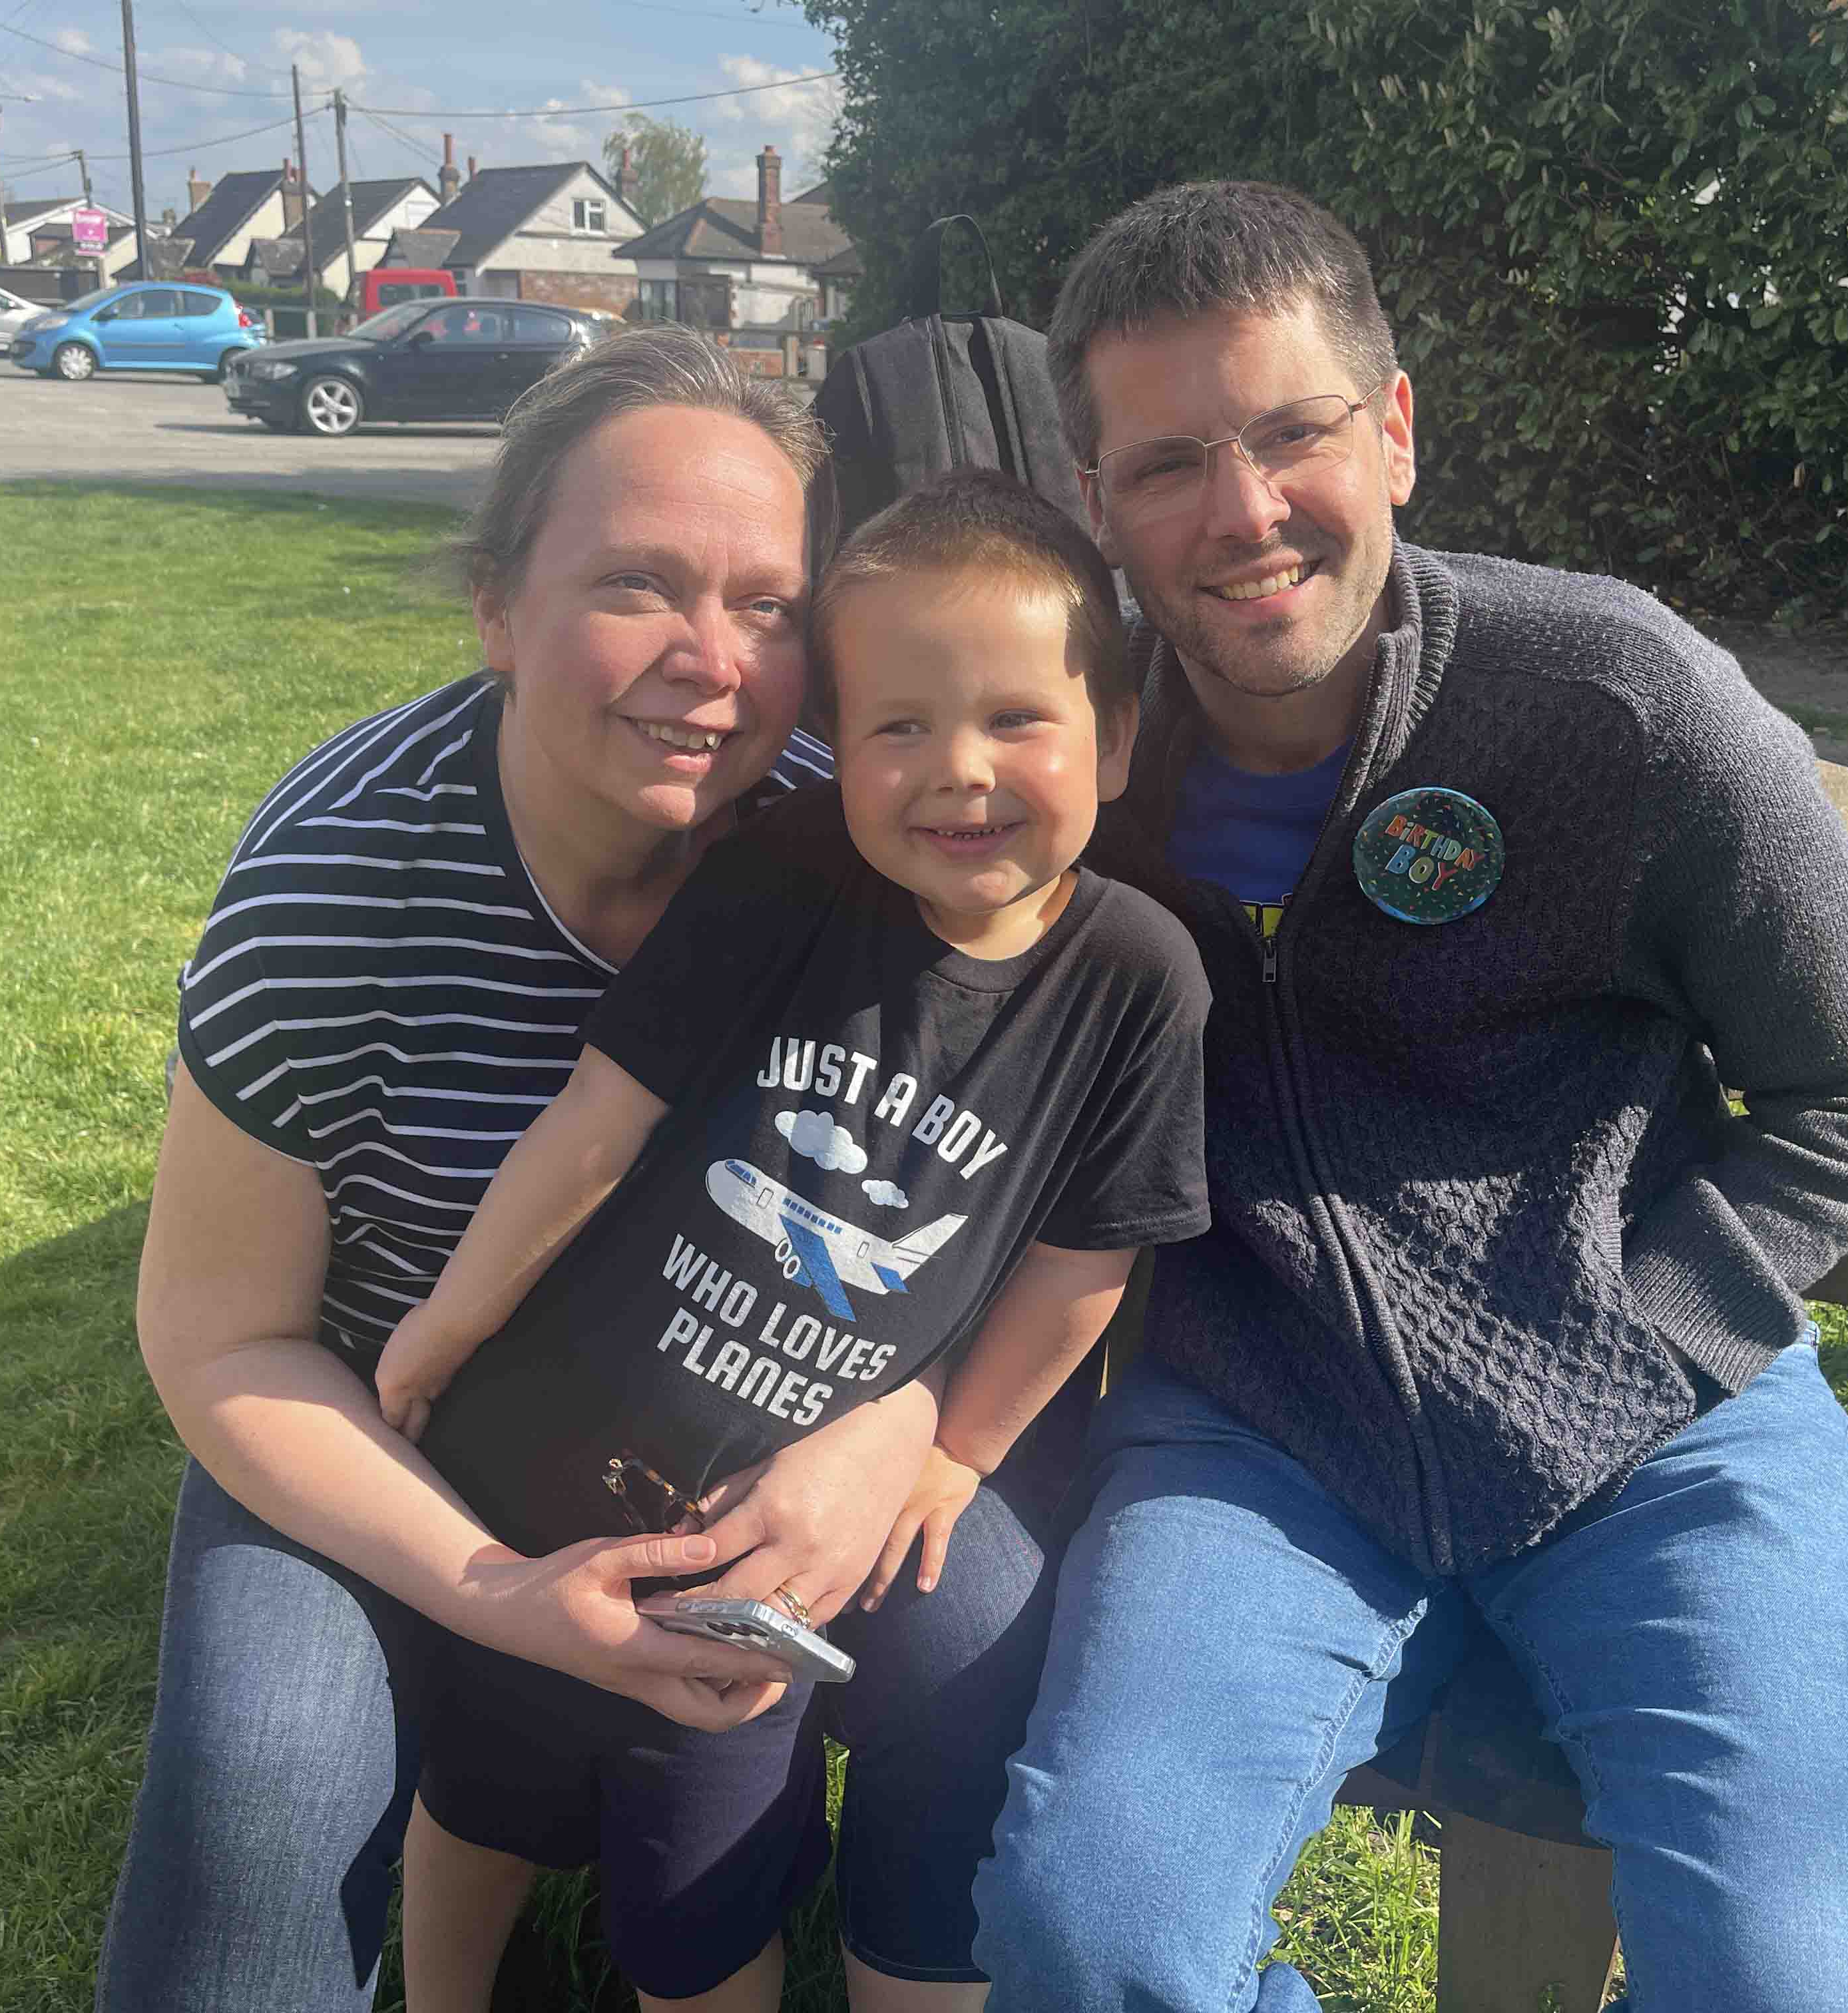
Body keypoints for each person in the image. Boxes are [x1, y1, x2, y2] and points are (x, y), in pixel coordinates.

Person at [967, 181, 1848, 2012]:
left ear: (1399, 432)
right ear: (1098, 502)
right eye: (1170, 463)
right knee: (1088, 1941)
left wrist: (1657, 1330)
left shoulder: (1615, 693)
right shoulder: (1055, 754)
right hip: (1258, 1429)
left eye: (1295, 432)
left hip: (1670, 1427)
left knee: (1817, 1984)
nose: (1245, 512)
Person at [101, 330, 1090, 2012]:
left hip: (747, 1417)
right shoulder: (335, 886)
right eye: (638, 584)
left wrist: (900, 1424)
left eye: (769, 605)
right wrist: (499, 1595)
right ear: (496, 607)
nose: (713, 662)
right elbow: (219, 1336)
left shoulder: (861, 832)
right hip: (386, 1420)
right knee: (261, 1786)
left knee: (981, 1608)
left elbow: (971, 1173)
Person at [367, 468, 1209, 2013]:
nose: (958, 772)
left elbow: (1085, 1264)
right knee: (476, 1795)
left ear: (1117, 735)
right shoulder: (790, 870)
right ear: (838, 739)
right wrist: (452, 1321)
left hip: (768, 1569)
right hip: (540, 1464)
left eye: (1016, 719)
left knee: (701, 1895)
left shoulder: (1136, 982)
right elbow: (597, 1118)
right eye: (900, 727)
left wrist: (955, 1453)